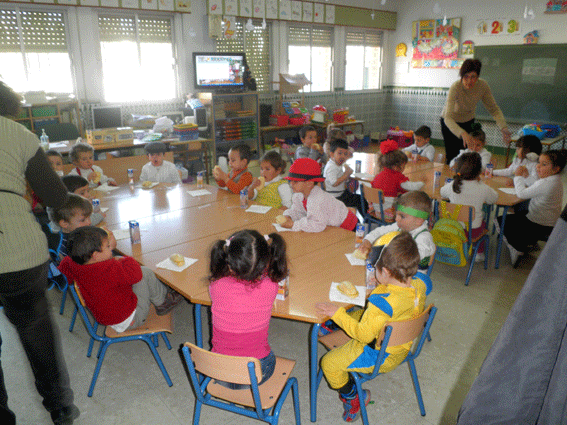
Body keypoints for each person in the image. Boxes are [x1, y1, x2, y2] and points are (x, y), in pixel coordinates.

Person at [0, 81, 79, 424]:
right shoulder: (17, 133)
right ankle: (60, 408)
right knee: (36, 332)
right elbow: (56, 196)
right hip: (18, 248)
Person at [315, 232, 431, 422]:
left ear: (385, 272)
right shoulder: (420, 284)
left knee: (329, 363)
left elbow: (363, 335)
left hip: (381, 353)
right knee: (358, 315)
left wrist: (337, 314)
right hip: (402, 341)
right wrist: (383, 286)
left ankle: (354, 397)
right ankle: (332, 327)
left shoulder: (381, 304)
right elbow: (411, 292)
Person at [59, 226, 184, 332]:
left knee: (137, 275)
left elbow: (64, 273)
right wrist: (120, 256)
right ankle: (163, 302)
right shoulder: (109, 268)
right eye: (108, 246)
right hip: (130, 319)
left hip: (105, 316)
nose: (110, 248)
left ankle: (160, 295)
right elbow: (135, 273)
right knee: (145, 272)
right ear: (95, 255)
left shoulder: (71, 262)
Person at [208, 229, 288, 389]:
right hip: (256, 374)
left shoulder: (216, 285)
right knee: (268, 355)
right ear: (266, 263)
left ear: (229, 262)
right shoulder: (270, 286)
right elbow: (271, 276)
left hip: (218, 370)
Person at [498, 149, 566, 266]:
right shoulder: (555, 180)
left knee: (501, 220)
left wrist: (518, 177)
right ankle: (530, 242)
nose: (538, 166)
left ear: (556, 169)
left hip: (538, 224)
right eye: (539, 162)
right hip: (549, 222)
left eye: (544, 164)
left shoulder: (546, 183)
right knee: (519, 213)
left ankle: (518, 248)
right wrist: (526, 176)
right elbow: (534, 186)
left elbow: (521, 194)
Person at [441, 58, 511, 165]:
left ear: (478, 77)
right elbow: (448, 118)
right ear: (461, 76)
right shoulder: (455, 87)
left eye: (473, 77)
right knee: (453, 157)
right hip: (450, 123)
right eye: (466, 77)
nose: (469, 81)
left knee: (469, 155)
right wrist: (462, 133)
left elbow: (494, 109)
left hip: (468, 121)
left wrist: (503, 128)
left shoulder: (482, 86)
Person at [356, 191, 435, 271]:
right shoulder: (400, 226)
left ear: (418, 220)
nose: (396, 219)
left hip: (412, 276)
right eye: (396, 214)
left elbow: (411, 259)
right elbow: (380, 231)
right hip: (395, 270)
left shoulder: (424, 238)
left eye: (402, 216)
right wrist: (368, 241)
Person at [440, 152, 498, 262]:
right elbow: (494, 198)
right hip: (472, 231)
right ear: (479, 171)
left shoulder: (453, 184)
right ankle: (478, 254)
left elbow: (442, 192)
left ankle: (456, 246)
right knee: (483, 222)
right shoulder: (483, 188)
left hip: (453, 228)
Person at [280, 158, 358, 232]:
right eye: (290, 180)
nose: (291, 184)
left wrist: (293, 224)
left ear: (309, 183)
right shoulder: (298, 195)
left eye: (295, 181)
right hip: (330, 226)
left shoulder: (317, 199)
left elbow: (317, 224)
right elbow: (297, 211)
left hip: (348, 227)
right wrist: (288, 216)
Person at [371, 139, 424, 221]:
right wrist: (423, 182)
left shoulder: (378, 175)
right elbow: (412, 187)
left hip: (376, 211)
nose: (404, 168)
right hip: (389, 213)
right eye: (403, 166)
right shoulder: (397, 176)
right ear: (395, 166)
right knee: (417, 208)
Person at [323, 138, 365, 215]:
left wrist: (347, 176)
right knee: (359, 200)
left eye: (345, 154)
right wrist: (346, 174)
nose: (343, 156)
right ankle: (367, 218)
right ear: (332, 154)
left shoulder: (336, 164)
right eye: (340, 153)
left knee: (359, 198)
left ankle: (364, 217)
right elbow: (334, 183)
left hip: (341, 193)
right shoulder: (331, 167)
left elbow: (340, 179)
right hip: (336, 197)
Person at [47, 193, 94, 259]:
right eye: (83, 220)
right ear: (65, 223)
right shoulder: (70, 246)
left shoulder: (78, 233)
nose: (89, 222)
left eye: (89, 217)